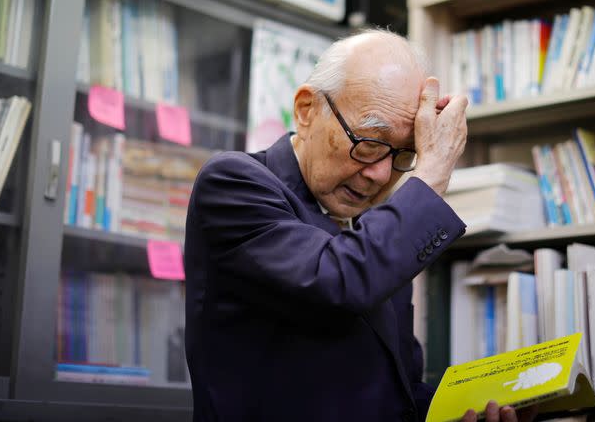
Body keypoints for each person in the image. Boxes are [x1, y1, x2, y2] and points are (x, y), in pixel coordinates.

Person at [185, 29, 535, 422]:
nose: (381, 174)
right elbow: (338, 279)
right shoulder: (234, 182)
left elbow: (398, 391)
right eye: (369, 143)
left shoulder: (378, 228)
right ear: (306, 110)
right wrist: (433, 169)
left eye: (404, 155)